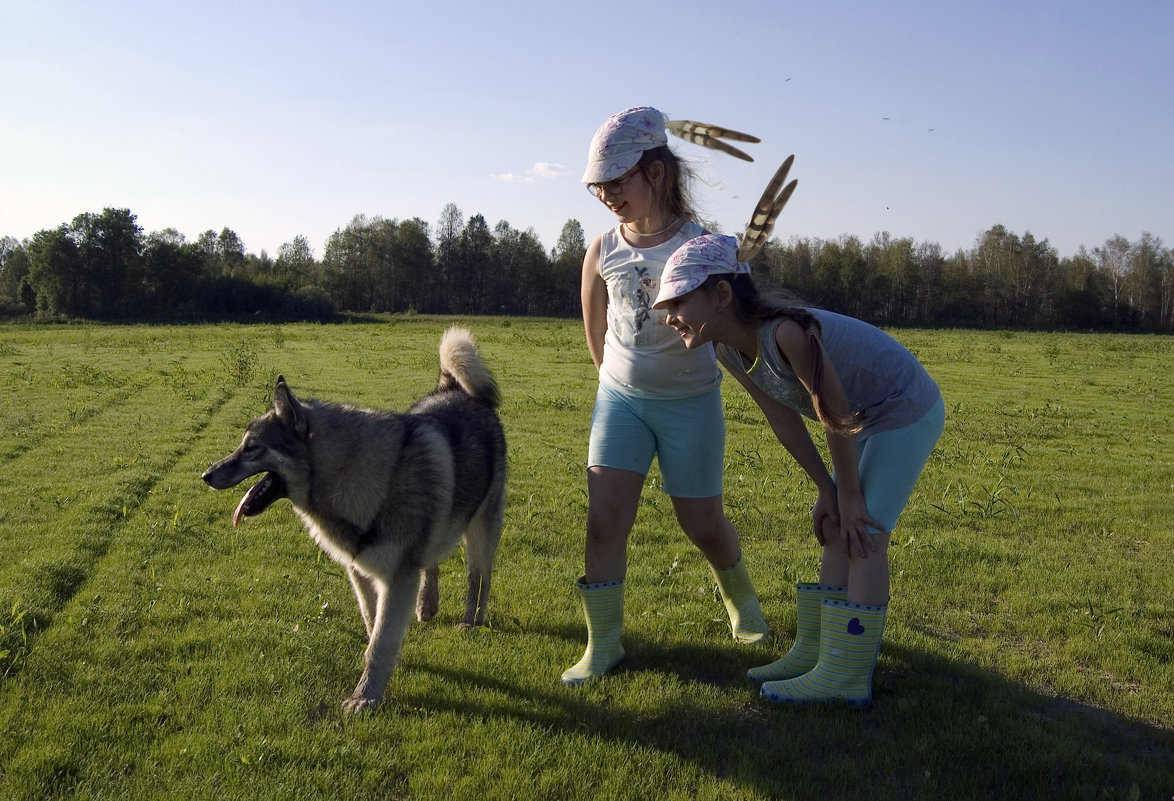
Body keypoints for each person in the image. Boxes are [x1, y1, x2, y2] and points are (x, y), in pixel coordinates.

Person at [651, 233, 945, 707]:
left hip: (903, 408)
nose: (668, 317)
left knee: (864, 530)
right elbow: (782, 417)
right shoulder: (727, 348)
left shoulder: (787, 332)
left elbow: (833, 412)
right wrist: (828, 491)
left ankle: (848, 676)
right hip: (862, 419)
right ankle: (816, 653)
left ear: (721, 295)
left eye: (678, 301)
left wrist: (848, 496)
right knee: (835, 527)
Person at [563, 107, 770, 685]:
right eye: (597, 185)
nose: (605, 195)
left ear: (654, 173)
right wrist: (617, 382)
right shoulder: (601, 250)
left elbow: (736, 324)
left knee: (701, 523)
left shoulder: (704, 247)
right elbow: (595, 323)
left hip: (691, 405)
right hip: (621, 402)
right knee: (603, 519)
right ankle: (603, 645)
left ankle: (742, 602)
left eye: (616, 181)